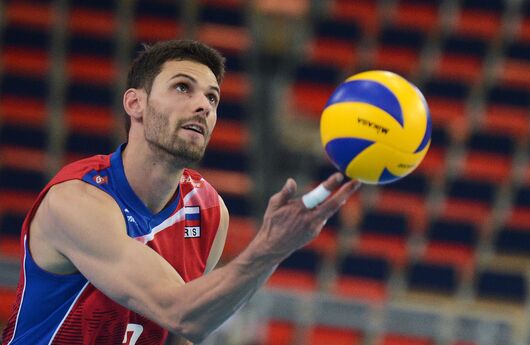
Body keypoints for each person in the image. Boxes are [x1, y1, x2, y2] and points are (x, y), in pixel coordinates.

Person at [1, 39, 361, 345]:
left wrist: (271, 250)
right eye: (182, 87)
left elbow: (180, 332)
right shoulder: (76, 202)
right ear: (135, 104)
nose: (203, 105)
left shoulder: (209, 210)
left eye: (213, 97)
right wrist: (270, 248)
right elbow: (180, 312)